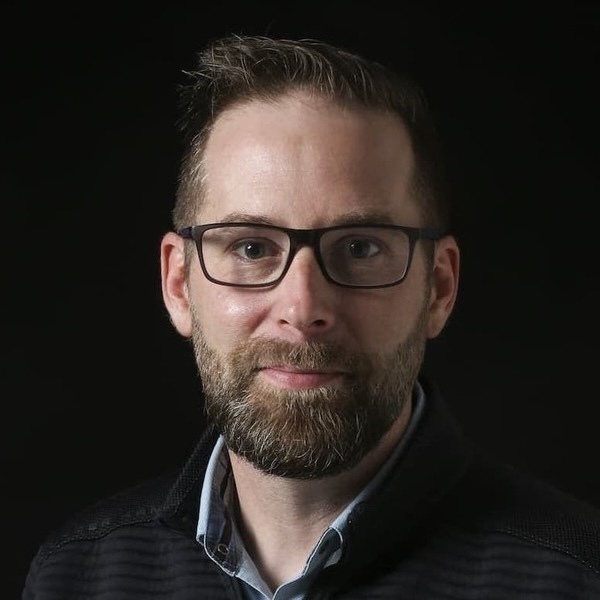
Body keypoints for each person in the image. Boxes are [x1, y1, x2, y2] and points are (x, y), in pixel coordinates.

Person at [23, 33, 600, 600]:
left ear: (439, 289)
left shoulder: (576, 577)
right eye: (251, 247)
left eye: (360, 248)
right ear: (178, 284)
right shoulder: (79, 574)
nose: (303, 309)